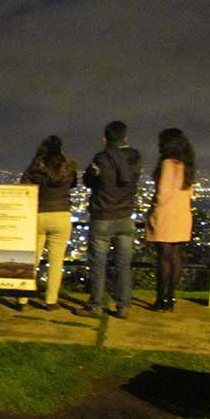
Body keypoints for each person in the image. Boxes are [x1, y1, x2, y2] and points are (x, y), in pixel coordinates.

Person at [74, 121, 142, 319]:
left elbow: (88, 180)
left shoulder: (101, 158)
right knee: (124, 265)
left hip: (102, 217)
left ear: (105, 139)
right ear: (126, 139)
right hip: (125, 217)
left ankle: (95, 305)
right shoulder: (136, 158)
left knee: (98, 264)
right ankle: (123, 306)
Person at [17, 135, 78, 311]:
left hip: (39, 214)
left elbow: (24, 185)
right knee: (57, 261)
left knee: (32, 260)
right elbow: (73, 184)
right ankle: (51, 301)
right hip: (61, 214)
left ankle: (22, 299)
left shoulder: (36, 166)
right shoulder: (68, 167)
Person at [145, 128, 196, 312]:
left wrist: (152, 209)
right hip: (182, 214)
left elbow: (163, 193)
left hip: (166, 215)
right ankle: (170, 298)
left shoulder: (167, 163)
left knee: (163, 258)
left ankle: (161, 299)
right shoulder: (186, 164)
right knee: (175, 257)